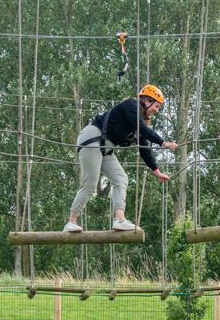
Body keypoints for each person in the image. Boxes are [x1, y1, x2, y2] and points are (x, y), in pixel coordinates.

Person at [64, 84, 179, 232]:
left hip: (105, 147)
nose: (156, 111)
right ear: (147, 100)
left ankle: (119, 219)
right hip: (92, 138)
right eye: (156, 106)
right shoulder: (131, 105)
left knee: (121, 179)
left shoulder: (139, 122)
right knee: (90, 184)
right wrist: (164, 143)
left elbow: (144, 148)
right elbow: (144, 129)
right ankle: (71, 222)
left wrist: (156, 171)